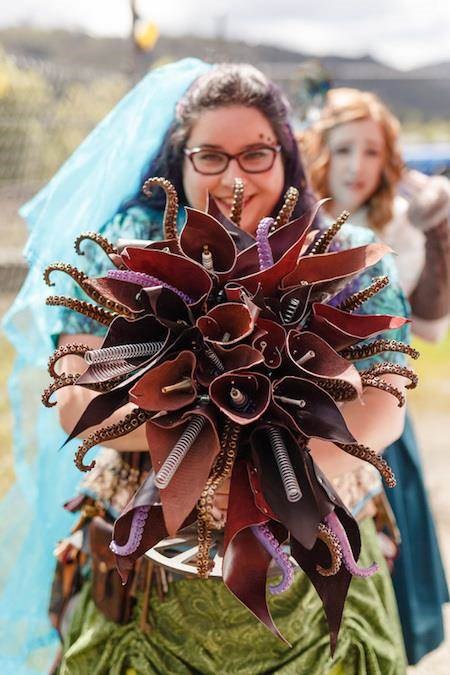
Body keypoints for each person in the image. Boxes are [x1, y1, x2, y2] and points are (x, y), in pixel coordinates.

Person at [2, 60, 411, 674]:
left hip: (312, 557)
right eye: (210, 156)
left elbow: (385, 407)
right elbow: (77, 403)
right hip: (152, 583)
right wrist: (227, 441)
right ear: (180, 158)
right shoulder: (119, 251)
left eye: (255, 154)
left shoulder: (343, 258)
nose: (234, 178)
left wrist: (274, 486)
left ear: (286, 154)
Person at [301, 86, 450, 665]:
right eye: (343, 150)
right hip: (304, 416)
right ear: (320, 152)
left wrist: (438, 226)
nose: (356, 167)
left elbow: (432, 328)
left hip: (378, 421)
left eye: (371, 151)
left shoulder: (399, 225)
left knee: (386, 550)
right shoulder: (291, 222)